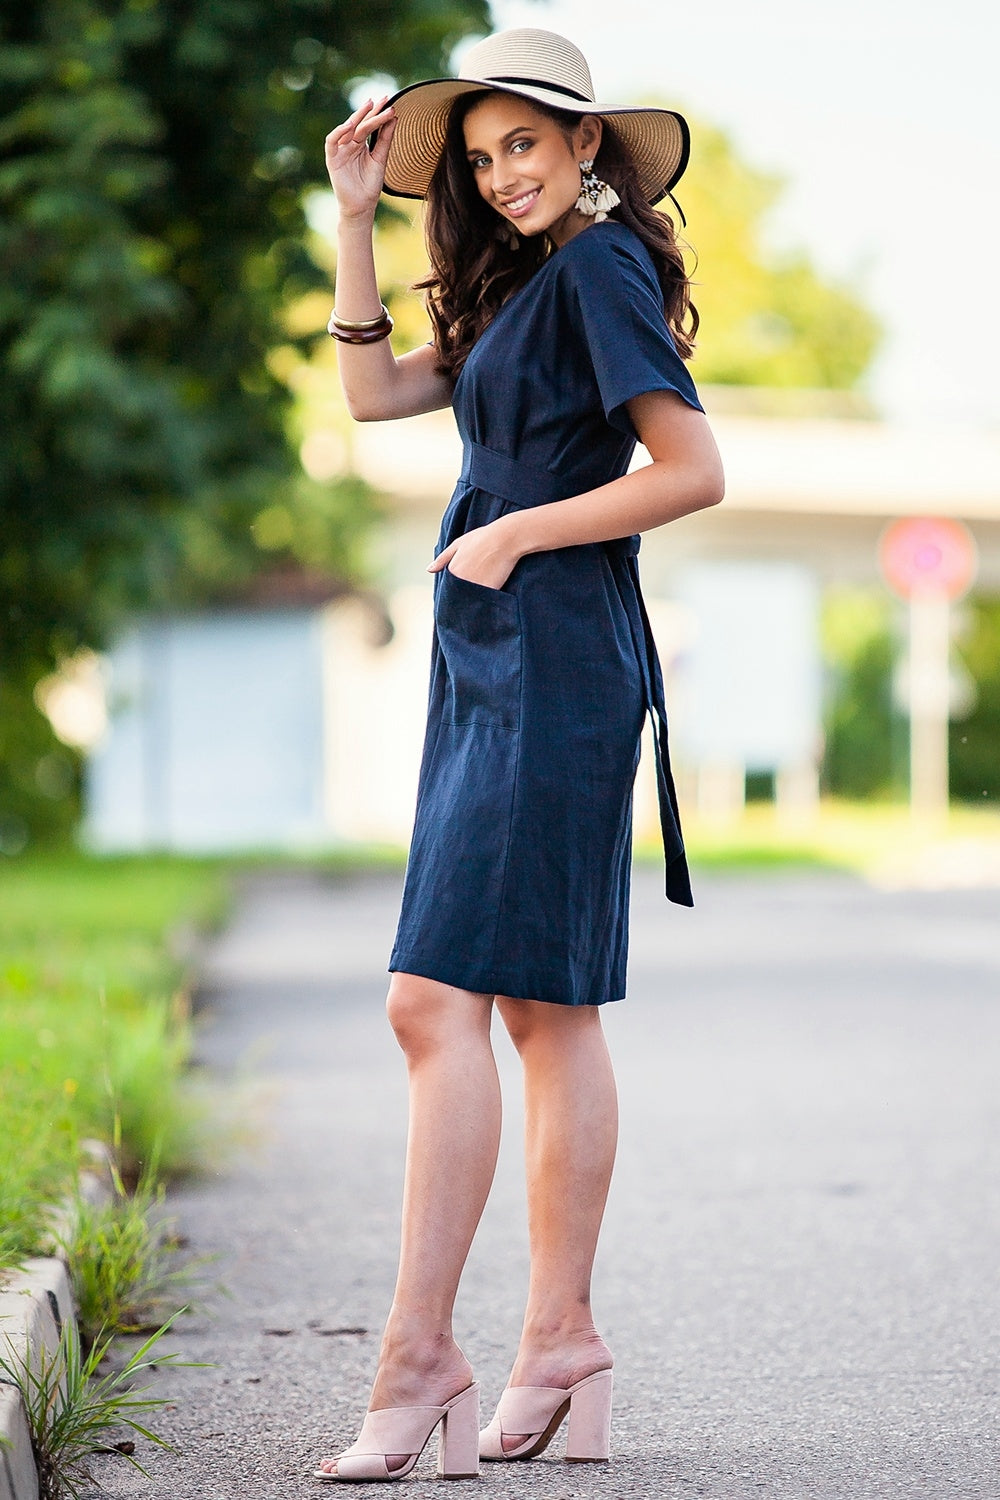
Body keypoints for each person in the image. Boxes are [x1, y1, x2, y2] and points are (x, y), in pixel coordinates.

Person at [315, 26, 723, 1484]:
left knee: (438, 1002)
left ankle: (423, 1349)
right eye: (482, 158)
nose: (503, 174)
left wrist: (513, 529)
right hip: (494, 651)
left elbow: (692, 471)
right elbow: (370, 400)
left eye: (526, 146)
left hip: (553, 651)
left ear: (587, 144)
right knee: (537, 1011)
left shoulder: (606, 273)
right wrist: (357, 225)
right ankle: (560, 1339)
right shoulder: (521, 290)